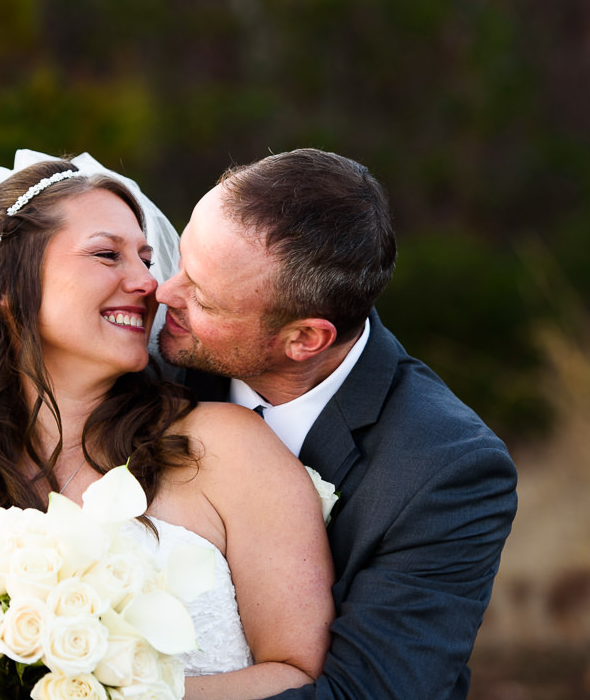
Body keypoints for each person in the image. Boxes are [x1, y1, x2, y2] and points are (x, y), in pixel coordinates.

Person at [0, 152, 333, 700]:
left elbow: (300, 674)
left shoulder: (225, 448)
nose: (149, 284)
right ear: (3, 282)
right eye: (106, 255)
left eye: (145, 256)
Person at [155, 148, 518, 699]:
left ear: (305, 339)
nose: (163, 293)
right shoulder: (147, 372)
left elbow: (366, 693)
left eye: (201, 298)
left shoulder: (444, 470)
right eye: (180, 260)